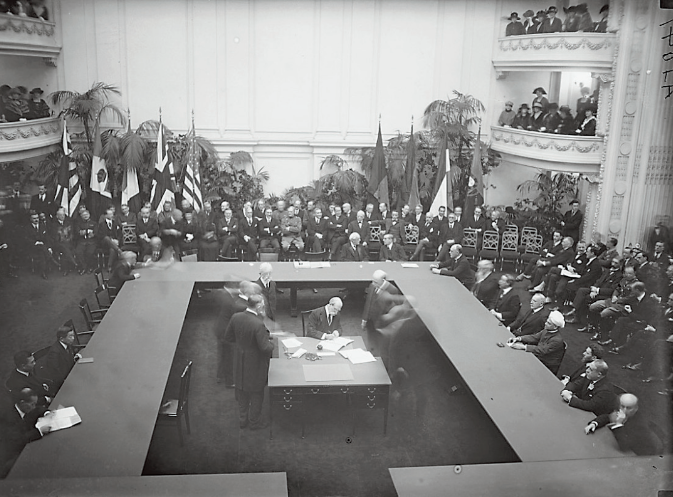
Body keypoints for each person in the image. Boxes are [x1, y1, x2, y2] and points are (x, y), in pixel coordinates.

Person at [224, 294, 274, 430]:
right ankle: (254, 422)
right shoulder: (258, 324)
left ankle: (242, 420)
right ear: (258, 306)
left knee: (242, 393)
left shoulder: (236, 317)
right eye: (262, 305)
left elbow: (228, 337)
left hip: (239, 363)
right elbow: (265, 348)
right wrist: (272, 344)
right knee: (256, 394)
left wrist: (242, 345)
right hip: (255, 365)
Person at [585, 393, 660, 455]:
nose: (624, 410)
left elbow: (624, 446)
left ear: (636, 408)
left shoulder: (640, 424)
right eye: (622, 406)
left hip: (642, 456)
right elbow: (608, 417)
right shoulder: (623, 412)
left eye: (629, 408)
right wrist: (595, 423)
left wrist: (618, 424)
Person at [215, 281, 259, 387]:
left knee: (224, 354)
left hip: (221, 328)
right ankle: (230, 381)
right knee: (230, 356)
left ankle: (220, 375)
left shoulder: (229, 298)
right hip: (226, 331)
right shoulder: (239, 305)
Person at [0, 387, 50, 478]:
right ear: (22, 402)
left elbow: (37, 409)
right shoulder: (9, 418)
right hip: (11, 456)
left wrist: (46, 413)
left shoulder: (24, 408)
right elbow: (18, 440)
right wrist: (39, 431)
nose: (34, 407)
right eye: (32, 404)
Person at [568, 256, 623, 330]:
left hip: (605, 294)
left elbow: (612, 290)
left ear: (620, 264)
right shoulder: (607, 271)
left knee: (587, 298)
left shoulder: (619, 276)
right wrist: (594, 289)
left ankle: (586, 322)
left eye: (616, 263)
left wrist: (597, 290)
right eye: (612, 262)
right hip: (596, 290)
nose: (613, 264)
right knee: (581, 290)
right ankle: (575, 312)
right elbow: (599, 281)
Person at [43, 326, 83, 391]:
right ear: (61, 339)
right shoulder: (54, 352)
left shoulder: (67, 343)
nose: (73, 338)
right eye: (70, 336)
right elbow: (56, 372)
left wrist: (74, 358)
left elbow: (67, 359)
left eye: (73, 335)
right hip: (65, 383)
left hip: (73, 373)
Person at [24, 211, 58, 279]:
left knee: (42, 253)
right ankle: (51, 259)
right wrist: (36, 242)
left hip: (43, 247)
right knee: (41, 247)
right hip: (32, 247)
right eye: (34, 218)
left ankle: (43, 272)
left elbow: (47, 238)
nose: (36, 220)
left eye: (37, 218)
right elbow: (26, 239)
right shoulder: (27, 228)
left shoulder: (42, 226)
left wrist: (49, 247)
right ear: (30, 219)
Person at [49, 207, 78, 275]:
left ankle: (66, 269)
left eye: (63, 215)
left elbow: (72, 234)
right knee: (64, 247)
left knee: (65, 250)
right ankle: (73, 263)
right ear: (57, 216)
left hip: (68, 242)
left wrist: (68, 239)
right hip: (58, 244)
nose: (63, 217)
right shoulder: (53, 225)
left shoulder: (68, 223)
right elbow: (53, 236)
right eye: (61, 215)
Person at [74, 209, 97, 274]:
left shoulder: (94, 223)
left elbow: (95, 233)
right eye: (83, 215)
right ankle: (84, 267)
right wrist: (87, 231)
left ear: (89, 215)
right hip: (82, 241)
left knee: (89, 253)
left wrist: (84, 232)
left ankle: (90, 267)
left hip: (92, 241)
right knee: (78, 252)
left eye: (86, 214)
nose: (85, 216)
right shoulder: (78, 224)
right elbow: (78, 232)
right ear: (81, 216)